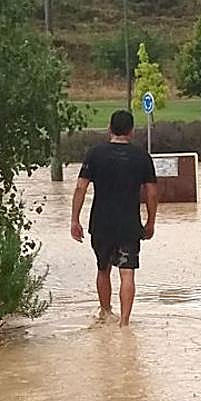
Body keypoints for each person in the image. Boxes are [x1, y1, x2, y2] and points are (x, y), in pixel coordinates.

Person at [71, 110, 158, 326]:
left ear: (109, 129)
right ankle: (125, 323)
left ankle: (106, 312)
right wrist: (151, 221)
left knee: (103, 269)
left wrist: (75, 220)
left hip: (101, 223)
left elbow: (80, 187)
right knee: (127, 274)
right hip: (129, 224)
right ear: (132, 131)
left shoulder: (95, 154)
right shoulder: (142, 157)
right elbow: (152, 193)